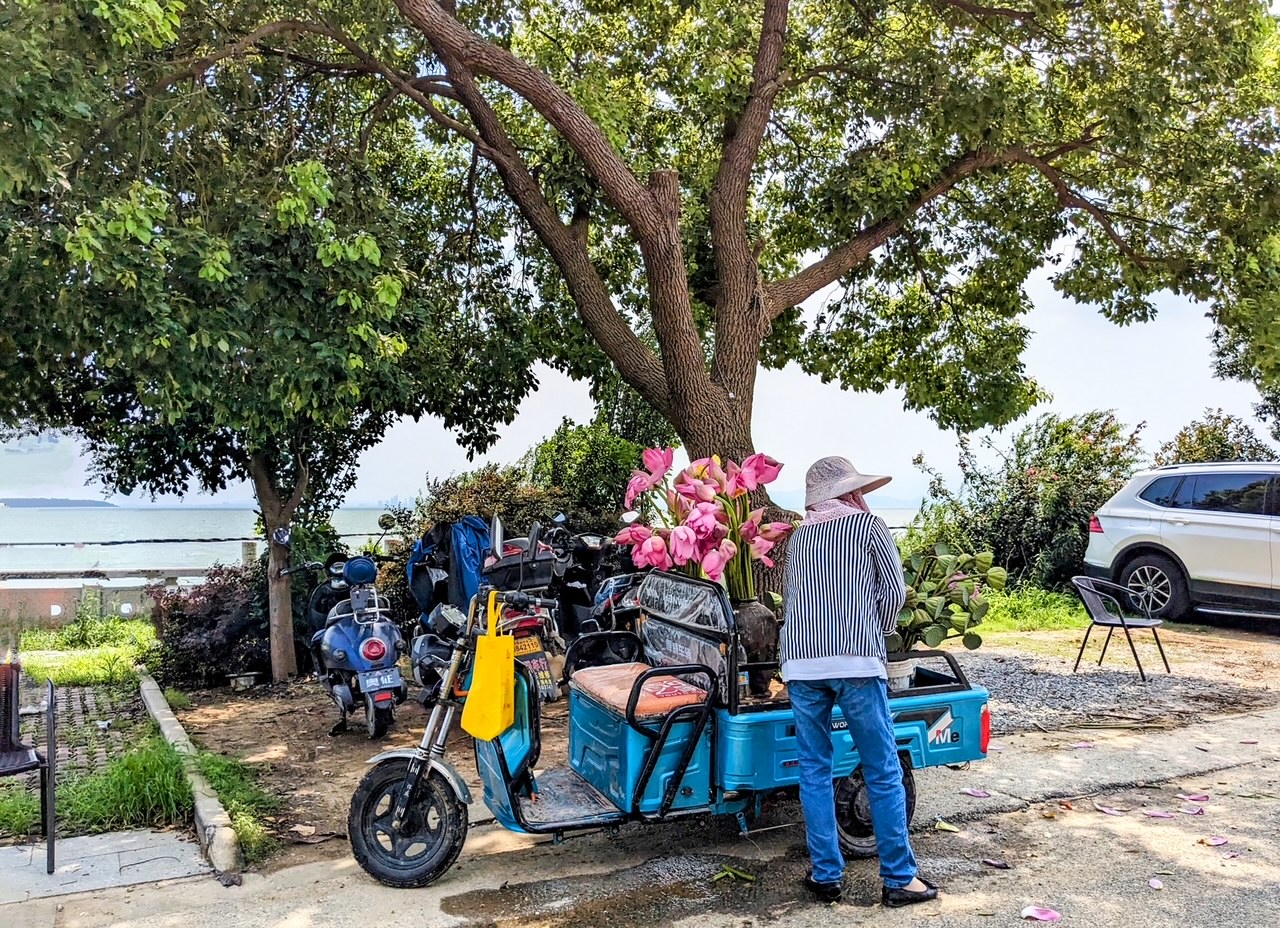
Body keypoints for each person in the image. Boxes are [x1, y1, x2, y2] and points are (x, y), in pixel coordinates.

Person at [780, 455, 937, 908]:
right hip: (855, 662)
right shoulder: (869, 528)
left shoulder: (797, 537)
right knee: (882, 769)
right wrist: (875, 632)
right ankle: (899, 879)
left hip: (802, 665)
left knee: (814, 770)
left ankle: (826, 876)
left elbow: (791, 600)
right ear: (850, 492)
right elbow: (895, 592)